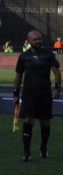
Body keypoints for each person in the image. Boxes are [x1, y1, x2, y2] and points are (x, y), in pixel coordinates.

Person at [13, 30, 61, 162]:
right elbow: (18, 75)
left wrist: (57, 88)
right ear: (28, 41)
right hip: (29, 92)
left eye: (39, 39)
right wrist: (15, 93)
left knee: (45, 122)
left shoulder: (48, 55)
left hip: (45, 92)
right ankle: (27, 152)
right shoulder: (23, 56)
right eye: (35, 39)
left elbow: (56, 71)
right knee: (28, 120)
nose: (39, 41)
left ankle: (43, 148)